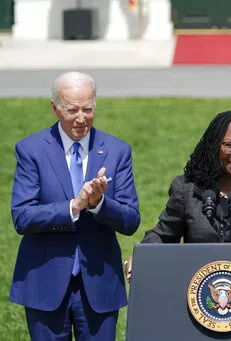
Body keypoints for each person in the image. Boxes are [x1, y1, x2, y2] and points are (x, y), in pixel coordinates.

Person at [9, 71, 140, 340]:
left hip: (99, 285)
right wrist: (74, 205)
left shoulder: (117, 150)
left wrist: (99, 204)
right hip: (44, 282)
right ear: (55, 108)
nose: (81, 118)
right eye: (71, 110)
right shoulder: (31, 149)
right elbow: (22, 216)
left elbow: (131, 220)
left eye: (88, 109)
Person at [125, 110, 231, 278]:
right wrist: (142, 256)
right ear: (214, 146)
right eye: (230, 144)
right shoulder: (187, 189)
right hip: (199, 296)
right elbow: (163, 235)